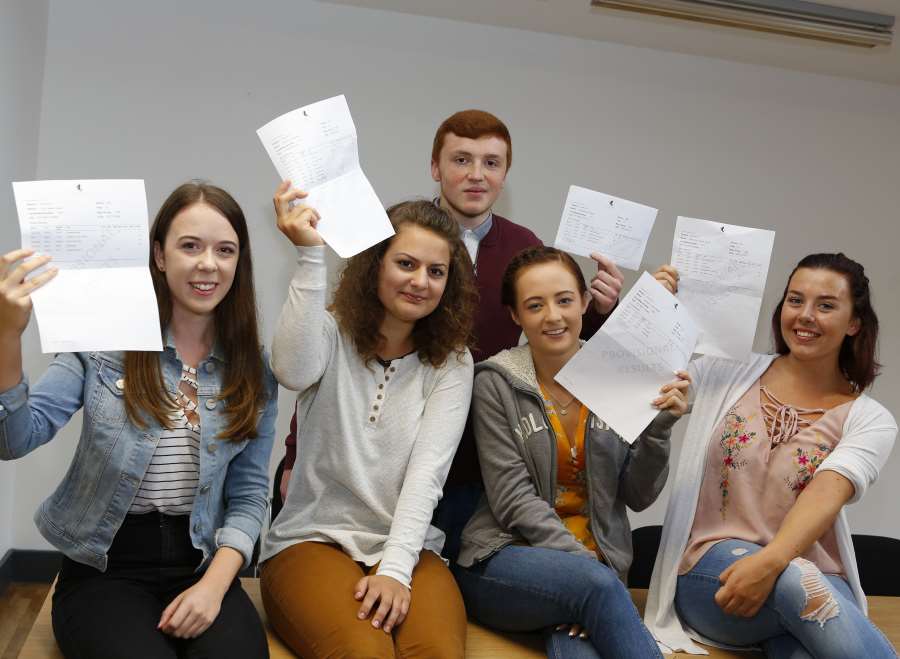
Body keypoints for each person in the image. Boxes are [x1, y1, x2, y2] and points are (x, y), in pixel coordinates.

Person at [276, 110, 626, 561]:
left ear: (505, 175)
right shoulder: (393, 233)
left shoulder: (525, 248)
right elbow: (332, 353)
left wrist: (597, 313)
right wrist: (294, 451)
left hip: (476, 468)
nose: (476, 175)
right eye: (461, 160)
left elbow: (555, 343)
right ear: (435, 168)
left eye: (491, 163)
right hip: (374, 471)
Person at [0, 182, 278, 658]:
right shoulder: (103, 345)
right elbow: (16, 439)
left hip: (202, 563)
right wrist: (7, 334)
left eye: (224, 250)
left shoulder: (253, 366)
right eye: (190, 246)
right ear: (160, 256)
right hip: (104, 569)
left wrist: (213, 587)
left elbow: (250, 494)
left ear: (239, 262)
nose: (208, 263)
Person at [259, 182, 477, 658]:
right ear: (375, 264)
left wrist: (397, 568)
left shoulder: (453, 364)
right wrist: (310, 257)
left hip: (407, 547)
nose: (420, 280)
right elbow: (290, 370)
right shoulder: (329, 331)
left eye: (436, 271)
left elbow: (427, 476)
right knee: (364, 653)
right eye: (406, 263)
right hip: (311, 539)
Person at [645, 253, 897, 658]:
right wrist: (653, 313)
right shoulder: (726, 372)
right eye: (795, 300)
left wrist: (771, 564)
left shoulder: (871, 420)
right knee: (799, 582)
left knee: (799, 645)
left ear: (854, 324)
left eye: (826, 305)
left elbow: (827, 491)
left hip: (811, 581)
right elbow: (632, 383)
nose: (806, 315)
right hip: (714, 572)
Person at [454, 246, 690, 659]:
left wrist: (660, 429)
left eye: (564, 300)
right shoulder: (494, 383)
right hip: (505, 559)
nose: (553, 316)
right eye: (535, 305)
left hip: (596, 578)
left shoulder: (617, 375)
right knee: (592, 589)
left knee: (578, 646)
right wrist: (585, 569)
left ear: (584, 301)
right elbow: (512, 500)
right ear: (515, 315)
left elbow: (638, 495)